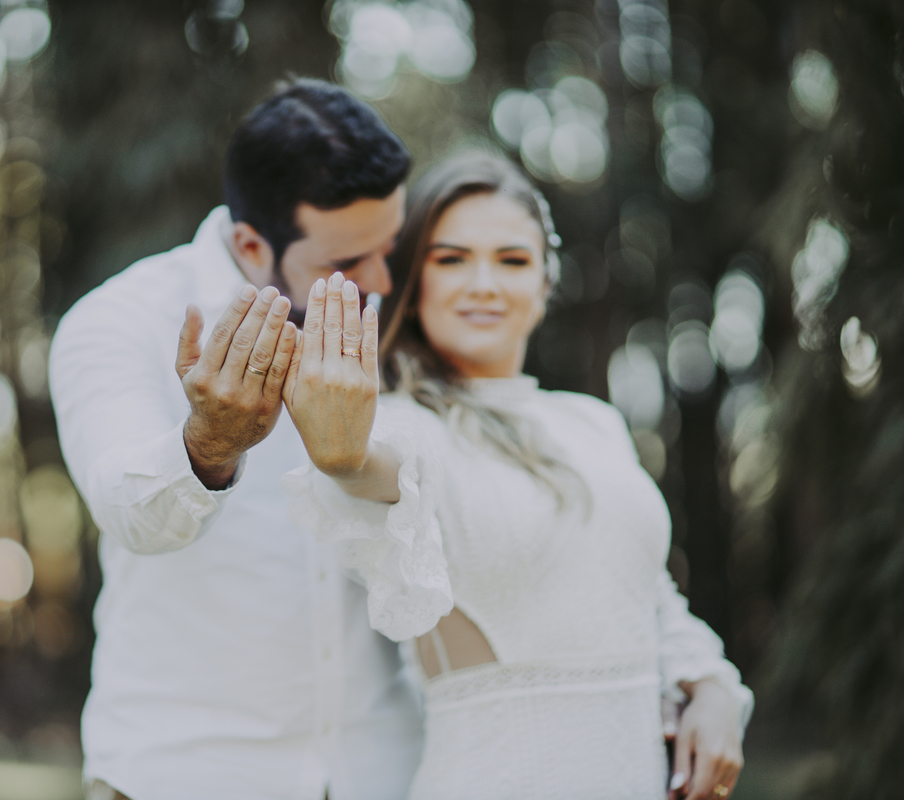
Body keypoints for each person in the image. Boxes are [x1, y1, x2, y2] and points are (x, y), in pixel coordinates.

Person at [281, 149, 753, 800]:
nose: (484, 283)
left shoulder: (593, 423)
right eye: (451, 260)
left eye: (512, 260)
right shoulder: (405, 425)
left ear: (545, 284)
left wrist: (712, 687)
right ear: (414, 283)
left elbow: (651, 596)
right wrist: (342, 453)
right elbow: (371, 466)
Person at [49, 78, 419, 800]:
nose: (380, 280)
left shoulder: (399, 318)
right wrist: (208, 447)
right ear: (251, 243)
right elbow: (127, 511)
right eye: (347, 265)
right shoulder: (118, 320)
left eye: (391, 247)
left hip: (380, 771)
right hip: (185, 773)